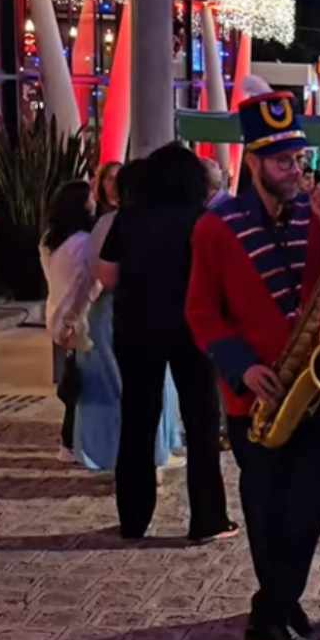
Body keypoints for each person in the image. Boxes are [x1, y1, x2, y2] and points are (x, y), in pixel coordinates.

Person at [185, 84, 320, 640]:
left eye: (299, 158)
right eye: (282, 159)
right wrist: (241, 367)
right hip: (258, 394)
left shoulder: (316, 212)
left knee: (309, 509)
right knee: (267, 511)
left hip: (315, 388)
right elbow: (201, 312)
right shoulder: (216, 226)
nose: (295, 169)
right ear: (252, 160)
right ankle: (276, 609)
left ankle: (275, 604)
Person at [97, 143, 235, 544]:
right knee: (202, 422)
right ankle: (207, 519)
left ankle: (133, 519)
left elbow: (107, 275)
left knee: (138, 420)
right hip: (192, 328)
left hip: (136, 326)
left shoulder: (129, 218)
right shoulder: (204, 220)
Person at [83, 160, 185, 474]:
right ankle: (151, 453)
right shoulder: (166, 221)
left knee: (131, 389)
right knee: (141, 387)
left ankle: (136, 457)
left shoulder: (114, 223)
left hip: (121, 310)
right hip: (141, 310)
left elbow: (104, 273)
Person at [40, 181, 96, 463]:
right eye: (90, 199)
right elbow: (84, 285)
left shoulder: (50, 240)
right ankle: (73, 442)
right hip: (78, 319)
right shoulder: (84, 243)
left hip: (57, 314)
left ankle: (70, 441)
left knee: (74, 377)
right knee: (84, 383)